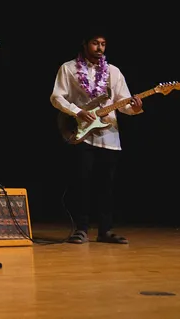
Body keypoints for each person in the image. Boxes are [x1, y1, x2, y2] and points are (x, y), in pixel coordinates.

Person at [51, 31, 142, 245]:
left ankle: (106, 230)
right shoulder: (69, 68)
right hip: (82, 133)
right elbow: (57, 97)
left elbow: (124, 102)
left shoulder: (113, 72)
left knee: (107, 185)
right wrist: (77, 111)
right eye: (95, 43)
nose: (99, 48)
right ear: (84, 44)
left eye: (103, 44)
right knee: (82, 183)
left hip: (109, 136)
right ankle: (81, 229)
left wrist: (135, 108)